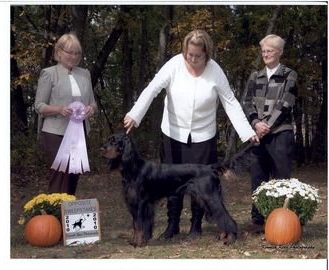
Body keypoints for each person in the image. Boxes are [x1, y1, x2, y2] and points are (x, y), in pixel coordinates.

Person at [123, 29, 259, 239]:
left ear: (207, 54)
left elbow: (230, 102)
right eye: (189, 54)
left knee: (201, 182)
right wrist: (135, 114)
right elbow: (152, 89)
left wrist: (247, 133)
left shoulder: (215, 71)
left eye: (198, 55)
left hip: (203, 135)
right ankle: (172, 224)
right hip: (173, 133)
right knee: (170, 181)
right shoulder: (174, 65)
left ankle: (196, 225)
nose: (193, 59)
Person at [242, 34, 298, 233]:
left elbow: (286, 104)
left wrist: (268, 126)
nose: (266, 54)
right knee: (258, 178)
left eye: (270, 50)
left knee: (282, 179)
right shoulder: (255, 76)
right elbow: (247, 103)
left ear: (280, 52)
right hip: (258, 135)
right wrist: (256, 123)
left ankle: (284, 222)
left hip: (280, 133)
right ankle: (258, 221)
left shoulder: (289, 74)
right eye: (264, 51)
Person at [34, 33, 97, 195]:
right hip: (55, 132)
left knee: (73, 175)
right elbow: (39, 106)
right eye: (70, 52)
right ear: (59, 52)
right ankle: (54, 217)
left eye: (77, 53)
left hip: (80, 131)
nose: (74, 56)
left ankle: (68, 216)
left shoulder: (85, 74)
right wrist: (59, 109)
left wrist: (90, 109)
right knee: (59, 176)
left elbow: (93, 103)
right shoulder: (49, 73)